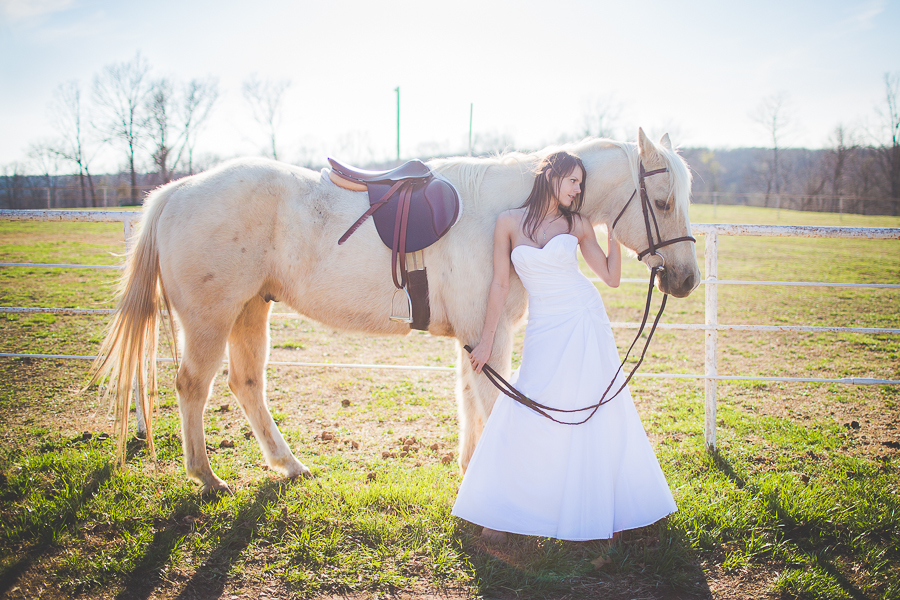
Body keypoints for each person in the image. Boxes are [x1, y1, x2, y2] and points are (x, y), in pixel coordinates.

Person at [452, 150, 676, 543]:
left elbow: (609, 278)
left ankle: (607, 507)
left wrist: (613, 239)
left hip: (583, 318)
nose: (577, 189)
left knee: (593, 407)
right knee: (527, 408)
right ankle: (504, 509)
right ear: (551, 176)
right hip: (544, 326)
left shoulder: (578, 224)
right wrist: (486, 341)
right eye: (573, 180)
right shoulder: (508, 222)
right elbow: (500, 286)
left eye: (580, 183)